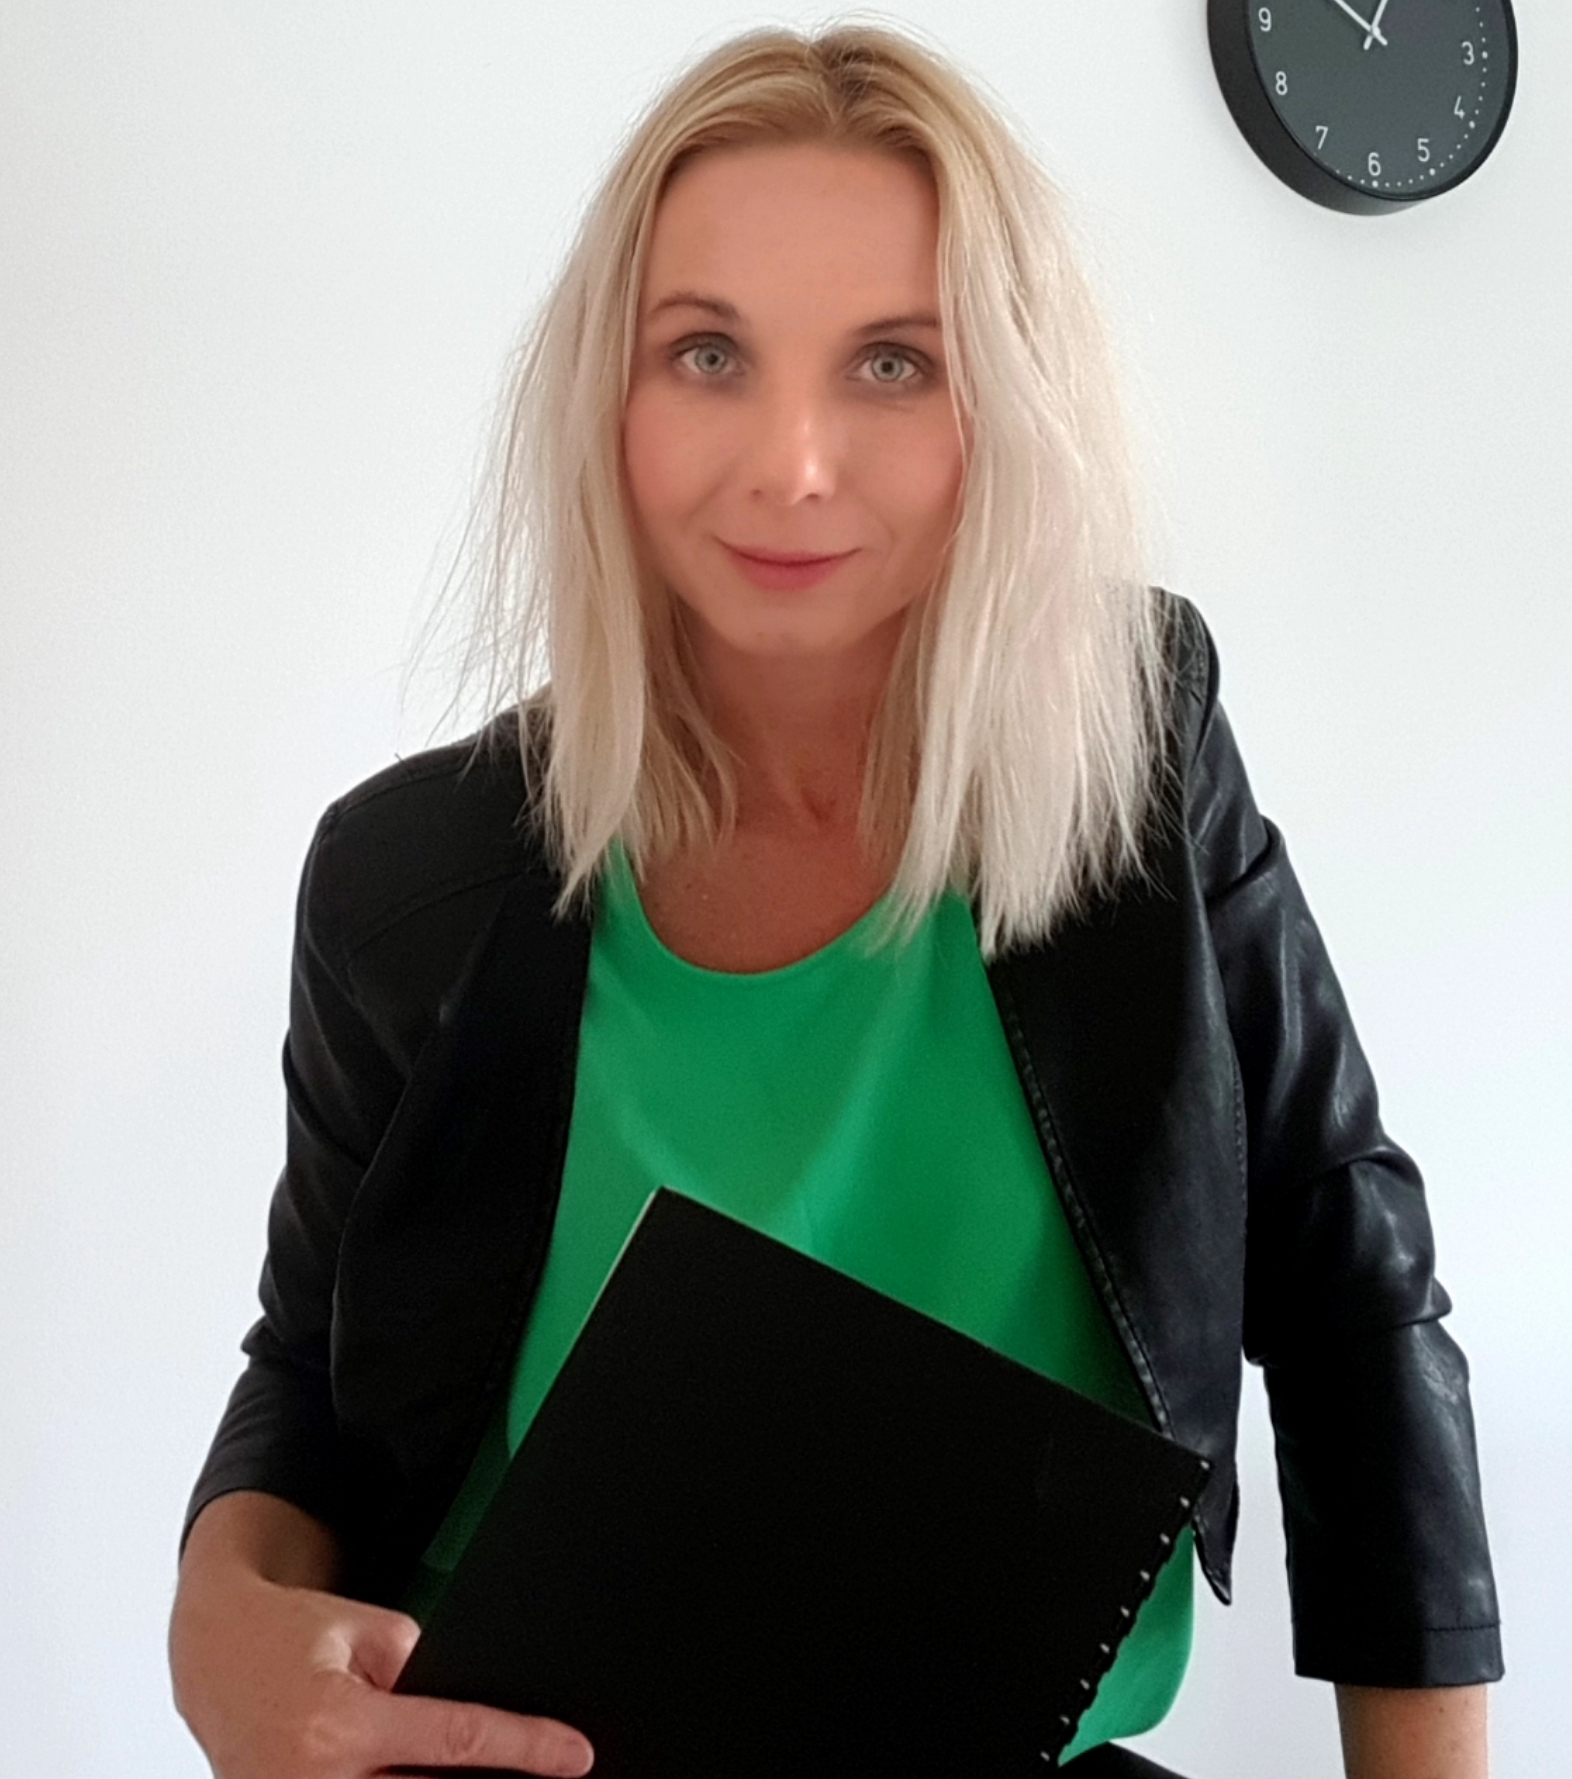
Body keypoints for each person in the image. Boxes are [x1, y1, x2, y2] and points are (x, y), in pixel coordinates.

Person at [166, 21, 1501, 1778]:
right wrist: (216, 1631)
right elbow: (313, 1374)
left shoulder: (1137, 739)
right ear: (608, 396)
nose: (791, 463)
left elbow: (1351, 1288)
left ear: (1007, 397)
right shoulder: (407, 874)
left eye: (893, 363)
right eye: (707, 352)